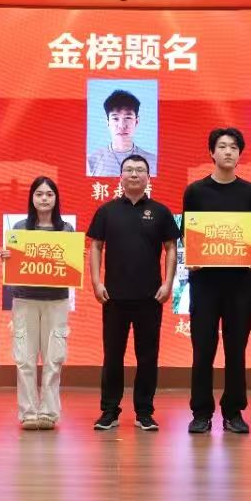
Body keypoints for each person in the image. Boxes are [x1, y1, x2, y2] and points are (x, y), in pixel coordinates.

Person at [87, 155, 180, 431]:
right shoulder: (107, 211)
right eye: (129, 170)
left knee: (148, 357)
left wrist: (168, 283)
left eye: (140, 170)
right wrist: (96, 281)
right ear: (121, 177)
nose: (134, 174)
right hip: (113, 297)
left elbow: (171, 248)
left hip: (150, 297)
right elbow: (95, 247)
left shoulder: (160, 212)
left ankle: (144, 412)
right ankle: (109, 411)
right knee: (112, 356)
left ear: (148, 177)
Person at [184, 127, 251, 435]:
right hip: (204, 282)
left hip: (239, 283)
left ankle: (233, 411)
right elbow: (188, 233)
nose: (228, 151)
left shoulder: (250, 193)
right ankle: (201, 412)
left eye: (233, 147)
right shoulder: (195, 191)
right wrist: (192, 255)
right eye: (222, 146)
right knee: (203, 348)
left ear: (239, 154)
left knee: (236, 349)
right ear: (212, 152)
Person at [0, 177, 75, 430]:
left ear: (56, 199)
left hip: (56, 301)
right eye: (39, 194)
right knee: (25, 359)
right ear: (32, 198)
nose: (44, 198)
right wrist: (6, 256)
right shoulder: (20, 228)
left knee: (54, 359)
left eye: (49, 194)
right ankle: (28, 412)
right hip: (25, 299)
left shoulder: (66, 231)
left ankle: (49, 412)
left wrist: (75, 258)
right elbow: (13, 263)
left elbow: (70, 265)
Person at [86, 89, 158, 177]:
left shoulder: (153, 162)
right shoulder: (91, 162)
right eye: (115, 118)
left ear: (136, 121)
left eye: (128, 118)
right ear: (108, 122)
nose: (122, 126)